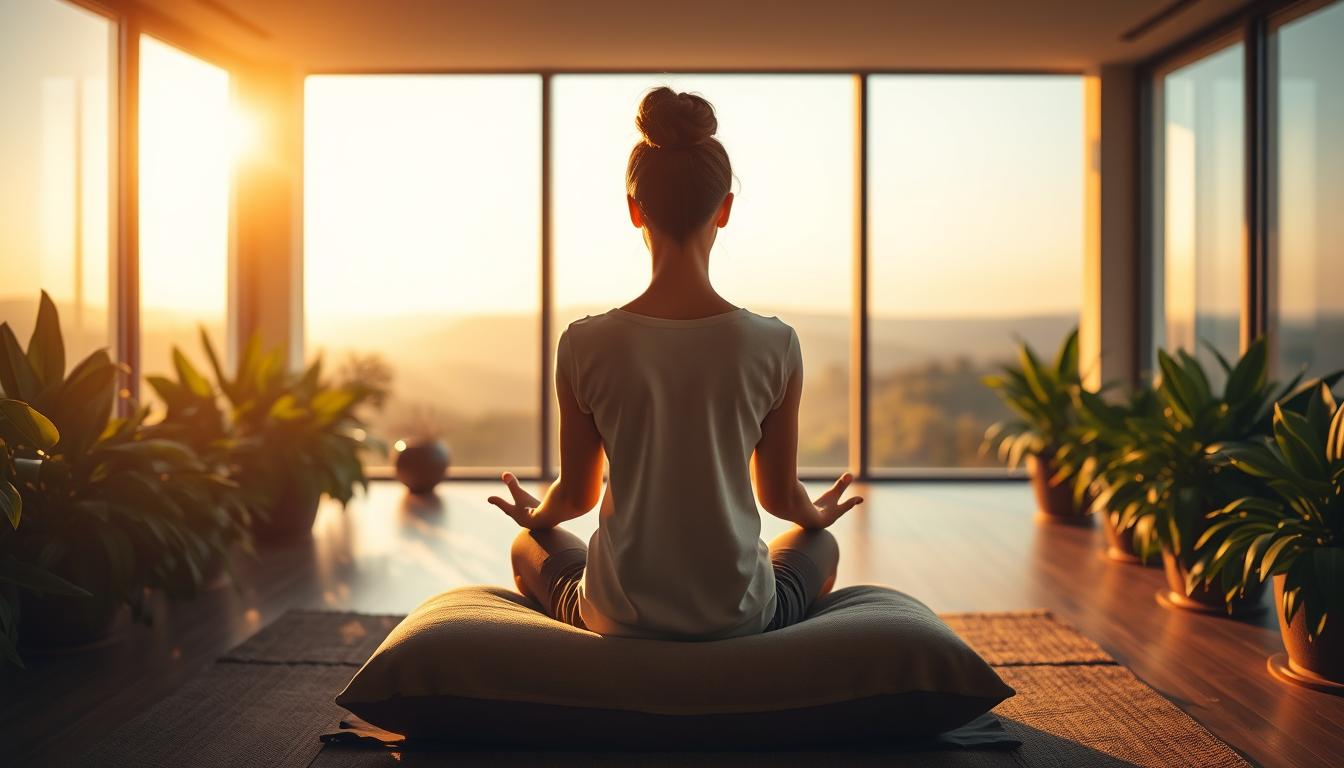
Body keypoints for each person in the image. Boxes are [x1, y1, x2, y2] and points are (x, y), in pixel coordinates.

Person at [487, 86, 863, 641]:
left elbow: (577, 496)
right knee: (819, 544)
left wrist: (536, 515)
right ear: (726, 209)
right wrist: (814, 514)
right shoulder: (776, 343)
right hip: (737, 619)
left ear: (634, 207)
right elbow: (780, 497)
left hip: (619, 617)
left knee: (528, 547)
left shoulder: (584, 343)